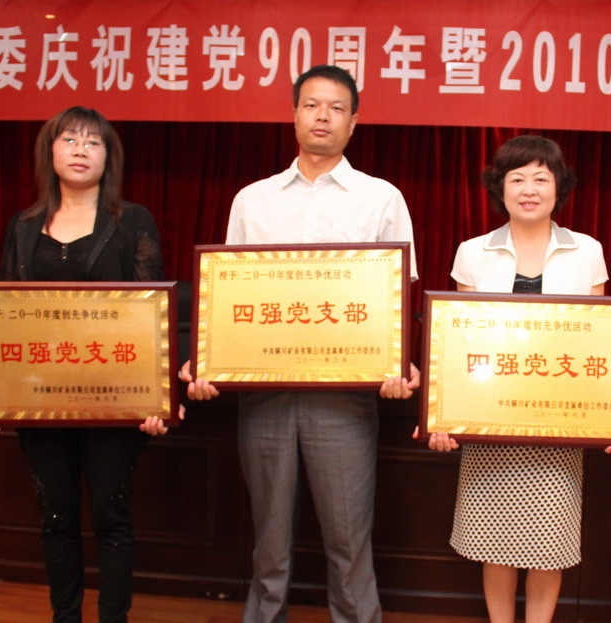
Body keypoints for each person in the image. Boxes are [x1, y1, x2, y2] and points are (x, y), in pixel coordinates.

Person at [181, 65, 419, 623]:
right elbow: (227, 292)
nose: (322, 117)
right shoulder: (252, 200)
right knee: (268, 540)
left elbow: (397, 295)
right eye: (312, 105)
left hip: (343, 395)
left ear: (354, 123)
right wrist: (208, 357)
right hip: (264, 392)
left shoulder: (381, 198)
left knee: (348, 538)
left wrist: (399, 361)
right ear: (293, 115)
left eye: (336, 108)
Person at [0, 105, 175, 623]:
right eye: (70, 139)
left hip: (115, 398)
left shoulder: (132, 221)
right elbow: (1, 318)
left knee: (111, 516)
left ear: (109, 156)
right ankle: (65, 616)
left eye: (93, 142)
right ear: (49, 151)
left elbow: (153, 315)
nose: (81, 150)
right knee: (55, 517)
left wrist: (159, 398)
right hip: (41, 399)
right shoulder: (23, 226)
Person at [418, 135, 611, 623]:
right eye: (517, 178)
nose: (529, 189)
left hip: (559, 419)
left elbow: (602, 342)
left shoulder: (587, 251)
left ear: (560, 187)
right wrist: (441, 416)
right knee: (495, 544)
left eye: (541, 178)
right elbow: (459, 343)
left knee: (549, 546)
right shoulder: (473, 252)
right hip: (489, 420)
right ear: (500, 188)